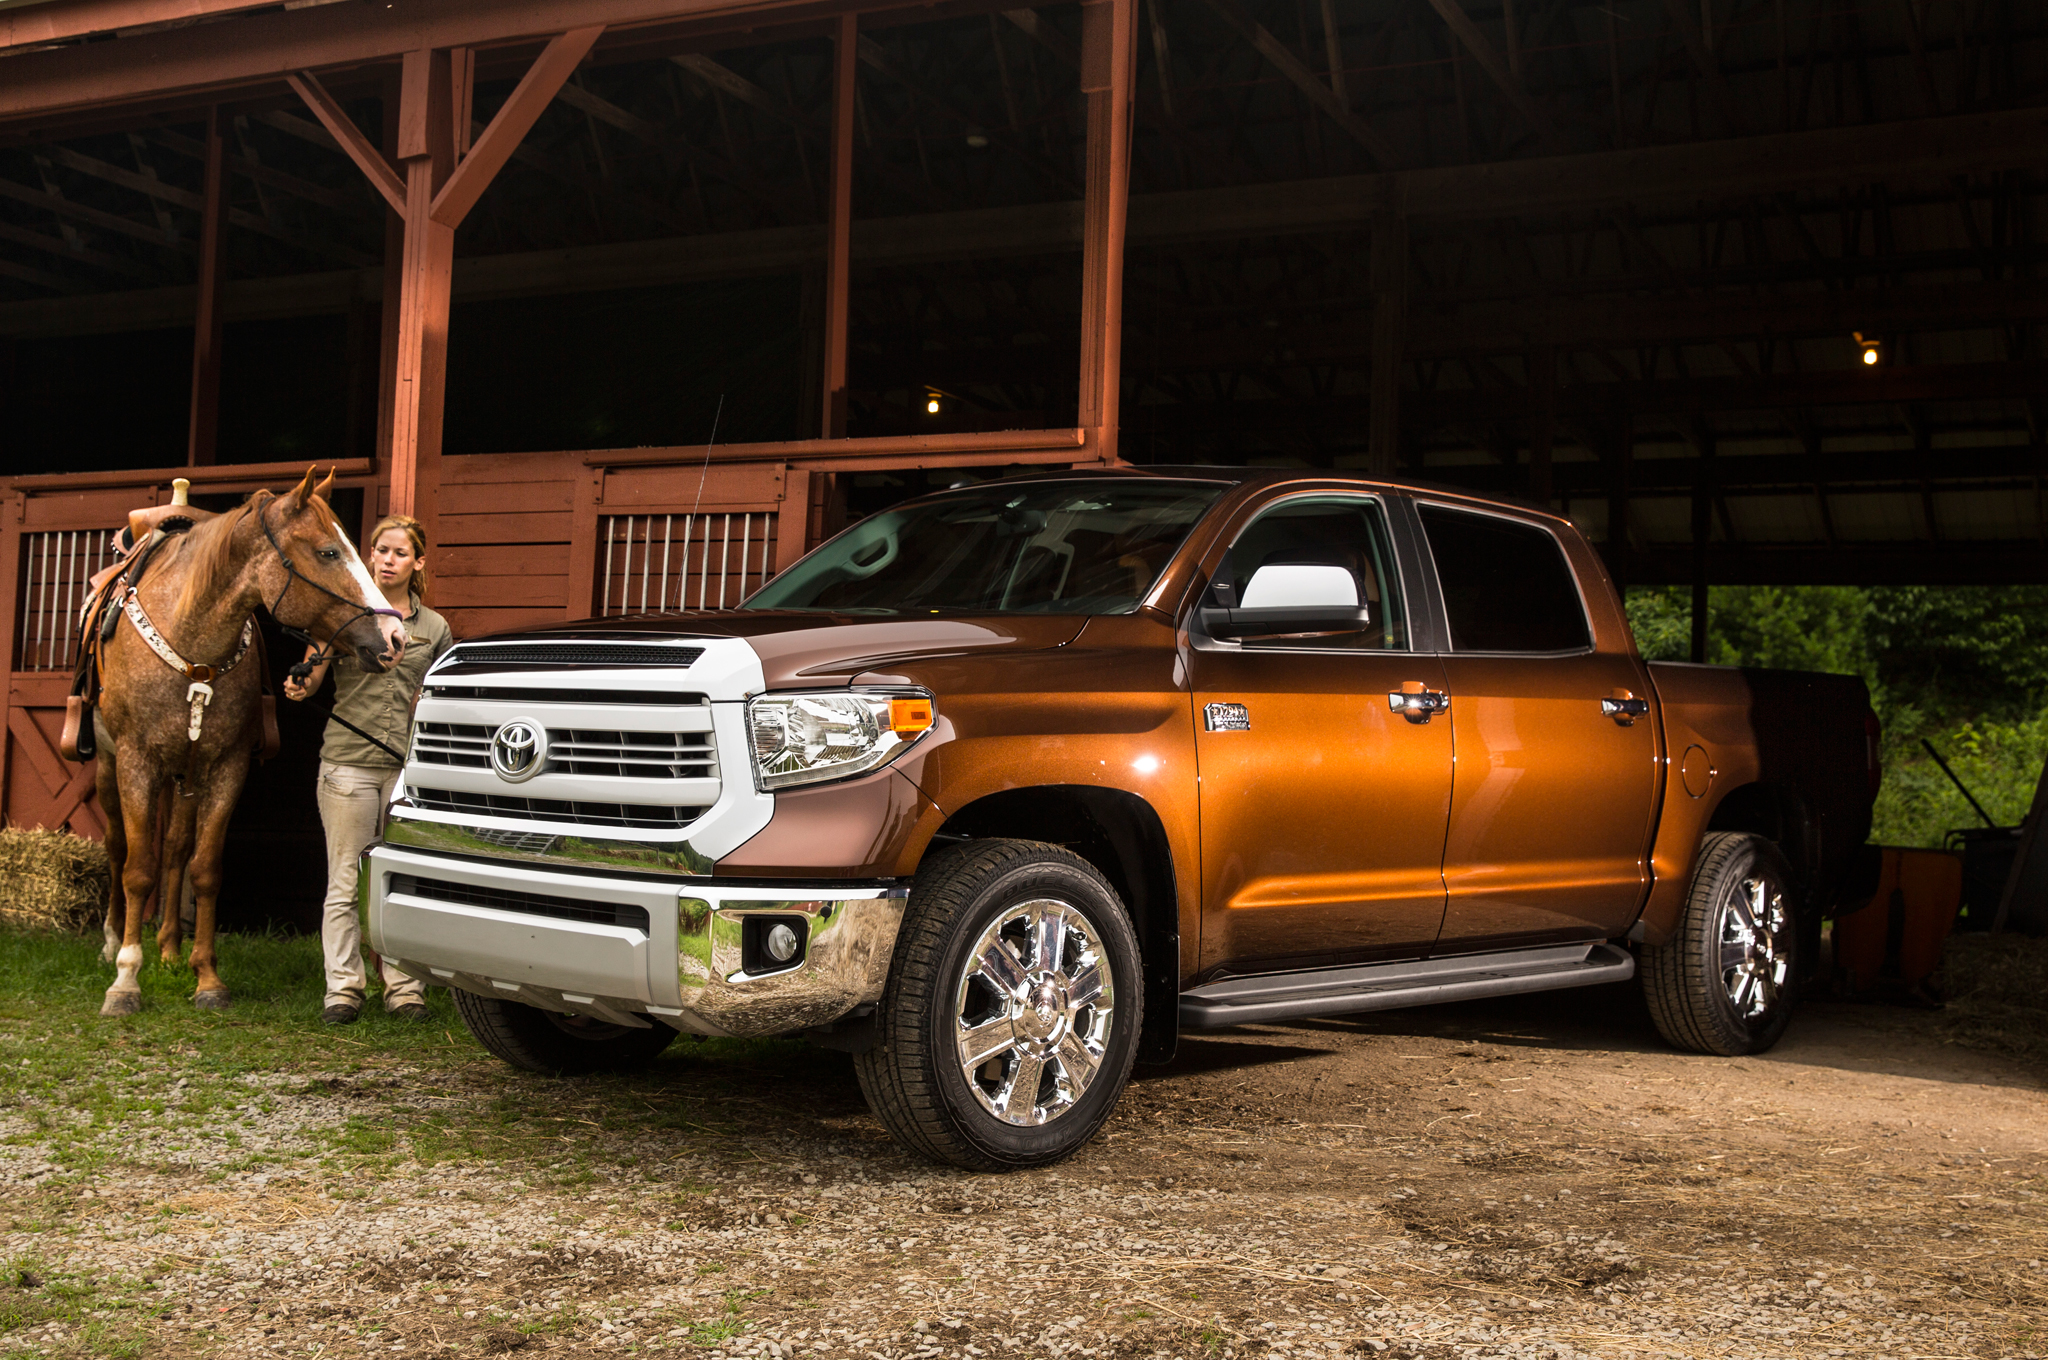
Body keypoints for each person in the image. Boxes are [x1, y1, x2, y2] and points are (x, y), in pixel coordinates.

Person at [284, 514, 453, 1026]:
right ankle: (344, 989)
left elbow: (443, 698)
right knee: (345, 881)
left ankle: (404, 989)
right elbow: (307, 680)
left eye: (399, 553)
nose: (387, 560)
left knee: (402, 881)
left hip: (407, 771)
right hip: (348, 766)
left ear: (417, 562)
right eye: (380, 550)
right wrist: (301, 681)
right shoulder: (342, 615)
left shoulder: (433, 628)